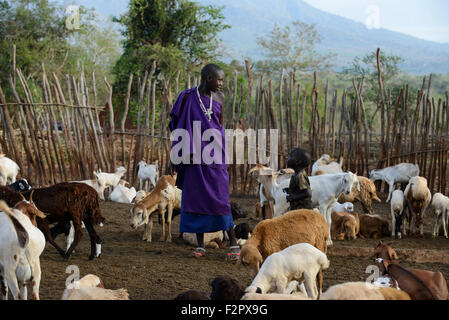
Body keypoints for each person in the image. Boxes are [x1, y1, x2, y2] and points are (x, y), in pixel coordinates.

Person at [168, 63, 240, 260]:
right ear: (208, 78)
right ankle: (200, 246)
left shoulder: (220, 97)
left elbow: (219, 127)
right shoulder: (187, 97)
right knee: (195, 198)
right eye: (219, 80)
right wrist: (175, 154)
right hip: (192, 157)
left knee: (220, 198)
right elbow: (176, 126)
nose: (221, 84)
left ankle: (233, 243)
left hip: (214, 156)